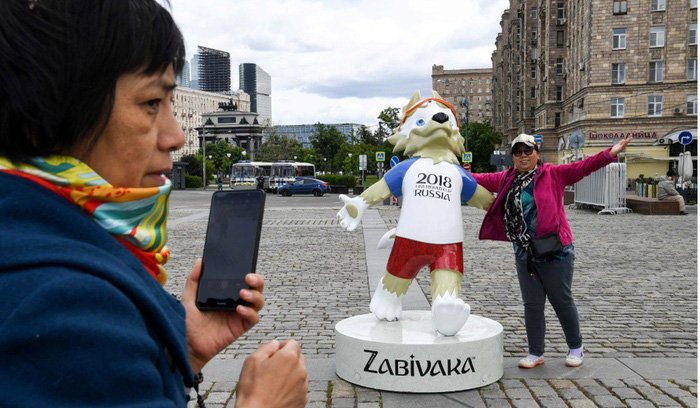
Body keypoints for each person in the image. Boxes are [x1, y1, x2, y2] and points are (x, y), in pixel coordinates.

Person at [0, 1, 307, 407]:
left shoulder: (39, 242)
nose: (176, 135)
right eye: (151, 103)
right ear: (56, 107)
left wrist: (183, 351)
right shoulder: (64, 304)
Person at [472, 133, 631, 369]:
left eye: (528, 151)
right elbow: (476, 178)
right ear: (513, 157)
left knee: (562, 301)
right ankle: (535, 352)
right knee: (532, 304)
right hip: (525, 252)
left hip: (556, 250)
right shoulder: (507, 178)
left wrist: (610, 153)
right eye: (518, 152)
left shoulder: (553, 174)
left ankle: (576, 348)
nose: (523, 156)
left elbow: (583, 167)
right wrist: (443, 167)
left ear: (537, 153)